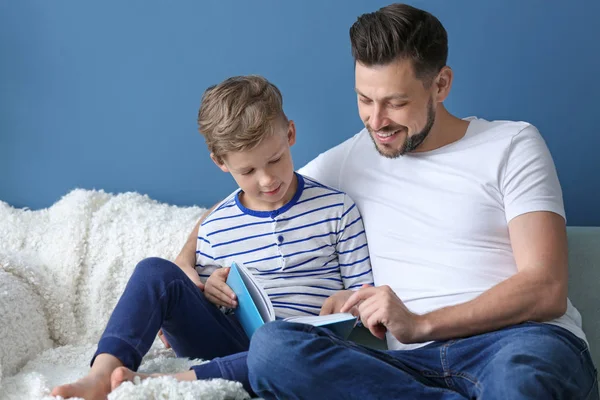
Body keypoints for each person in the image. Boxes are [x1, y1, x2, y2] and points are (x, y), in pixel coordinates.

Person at [244, 4, 599, 399]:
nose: (376, 122)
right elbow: (251, 194)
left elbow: (545, 287)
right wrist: (187, 262)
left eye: (395, 103)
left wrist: (421, 323)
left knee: (519, 381)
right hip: (413, 368)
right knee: (274, 350)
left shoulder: (512, 144)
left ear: (441, 84)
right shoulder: (349, 159)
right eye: (364, 99)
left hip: (516, 345)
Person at [51, 75, 373, 400]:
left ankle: (167, 384)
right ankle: (102, 375)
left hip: (301, 347)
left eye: (275, 159)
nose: (267, 179)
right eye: (247, 171)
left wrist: (348, 301)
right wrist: (212, 294)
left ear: (290, 133)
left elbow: (366, 297)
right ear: (221, 163)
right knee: (154, 271)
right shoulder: (215, 226)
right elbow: (204, 306)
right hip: (229, 344)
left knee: (284, 349)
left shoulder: (337, 210)